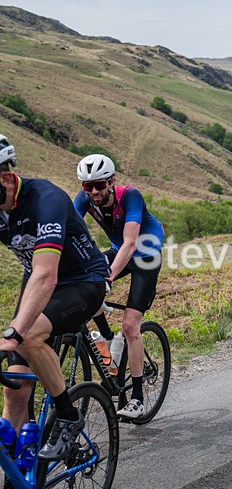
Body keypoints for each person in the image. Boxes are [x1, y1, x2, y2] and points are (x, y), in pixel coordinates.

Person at [0, 133, 110, 460]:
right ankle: (18, 478)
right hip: (36, 280)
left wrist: (14, 332)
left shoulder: (45, 198)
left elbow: (47, 274)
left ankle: (68, 415)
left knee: (27, 336)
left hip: (81, 281)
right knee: (15, 390)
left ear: (5, 178)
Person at [73, 154, 164, 419]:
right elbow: (67, 231)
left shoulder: (131, 196)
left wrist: (108, 277)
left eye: (99, 185)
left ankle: (136, 398)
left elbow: (130, 243)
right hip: (119, 251)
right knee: (85, 285)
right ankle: (109, 340)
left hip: (145, 254)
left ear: (111, 182)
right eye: (87, 186)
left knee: (130, 326)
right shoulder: (84, 200)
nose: (93, 191)